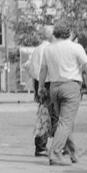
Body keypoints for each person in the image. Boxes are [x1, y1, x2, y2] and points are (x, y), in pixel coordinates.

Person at [38, 24, 87, 166]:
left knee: (63, 121)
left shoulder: (48, 48)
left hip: (54, 87)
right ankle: (55, 154)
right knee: (65, 122)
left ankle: (74, 152)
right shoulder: (75, 47)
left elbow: (43, 70)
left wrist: (41, 86)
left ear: (56, 33)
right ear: (69, 33)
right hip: (70, 86)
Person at [27, 25, 55, 156]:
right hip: (48, 83)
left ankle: (40, 144)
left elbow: (32, 69)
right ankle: (54, 144)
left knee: (42, 114)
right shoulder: (50, 49)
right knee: (52, 114)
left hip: (39, 82)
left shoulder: (37, 49)